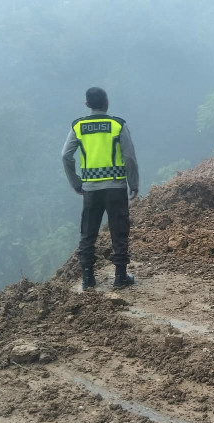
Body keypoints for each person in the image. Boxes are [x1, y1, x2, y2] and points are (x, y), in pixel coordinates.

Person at [61, 87, 139, 290]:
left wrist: (76, 183)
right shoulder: (117, 124)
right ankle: (120, 277)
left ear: (87, 105)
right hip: (116, 187)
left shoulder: (78, 126)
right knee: (119, 231)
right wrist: (134, 184)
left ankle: (88, 279)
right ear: (106, 101)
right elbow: (129, 157)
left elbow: (65, 156)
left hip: (90, 190)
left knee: (88, 233)